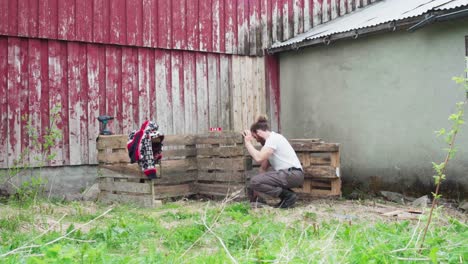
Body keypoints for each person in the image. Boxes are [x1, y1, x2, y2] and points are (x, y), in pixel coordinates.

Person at [243, 116, 304, 209]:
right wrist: (256, 190)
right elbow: (263, 168)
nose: (257, 140)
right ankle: (288, 196)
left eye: (255, 137)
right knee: (255, 181)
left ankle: (288, 196)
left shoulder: (273, 139)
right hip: (289, 175)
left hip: (292, 174)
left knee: (255, 181)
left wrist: (247, 143)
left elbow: (258, 158)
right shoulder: (269, 144)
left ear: (258, 132)